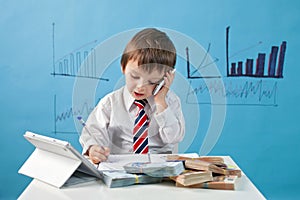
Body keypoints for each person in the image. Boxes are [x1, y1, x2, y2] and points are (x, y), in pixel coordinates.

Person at [79, 28, 185, 164]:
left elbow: (173, 138)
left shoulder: (170, 102)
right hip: (120, 169)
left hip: (159, 169)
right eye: (135, 76)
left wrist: (161, 102)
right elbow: (92, 132)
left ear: (165, 79)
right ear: (123, 67)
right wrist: (93, 148)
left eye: (152, 82)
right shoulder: (110, 103)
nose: (140, 86)